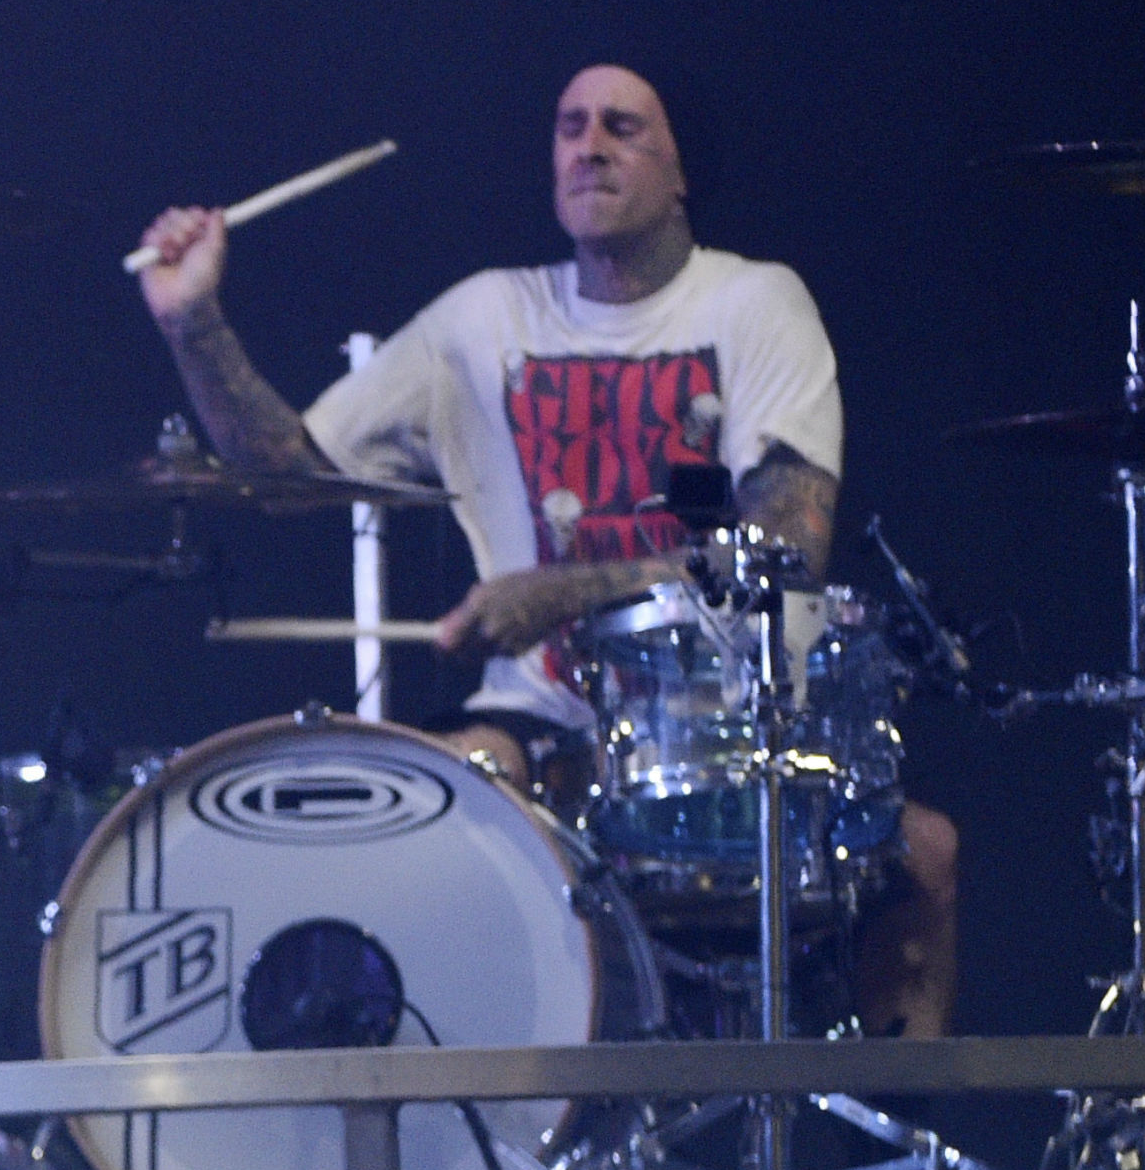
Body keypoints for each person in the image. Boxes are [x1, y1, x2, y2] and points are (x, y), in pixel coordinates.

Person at [131, 62, 962, 1036]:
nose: (587, 148)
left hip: (735, 727)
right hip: (542, 724)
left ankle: (896, 1132)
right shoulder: (481, 319)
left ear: (681, 172)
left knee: (925, 854)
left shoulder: (753, 303)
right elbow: (284, 477)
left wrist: (562, 591)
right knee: (460, 787)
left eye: (621, 127)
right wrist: (190, 322)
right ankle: (489, 1114)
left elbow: (783, 551)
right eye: (569, 127)